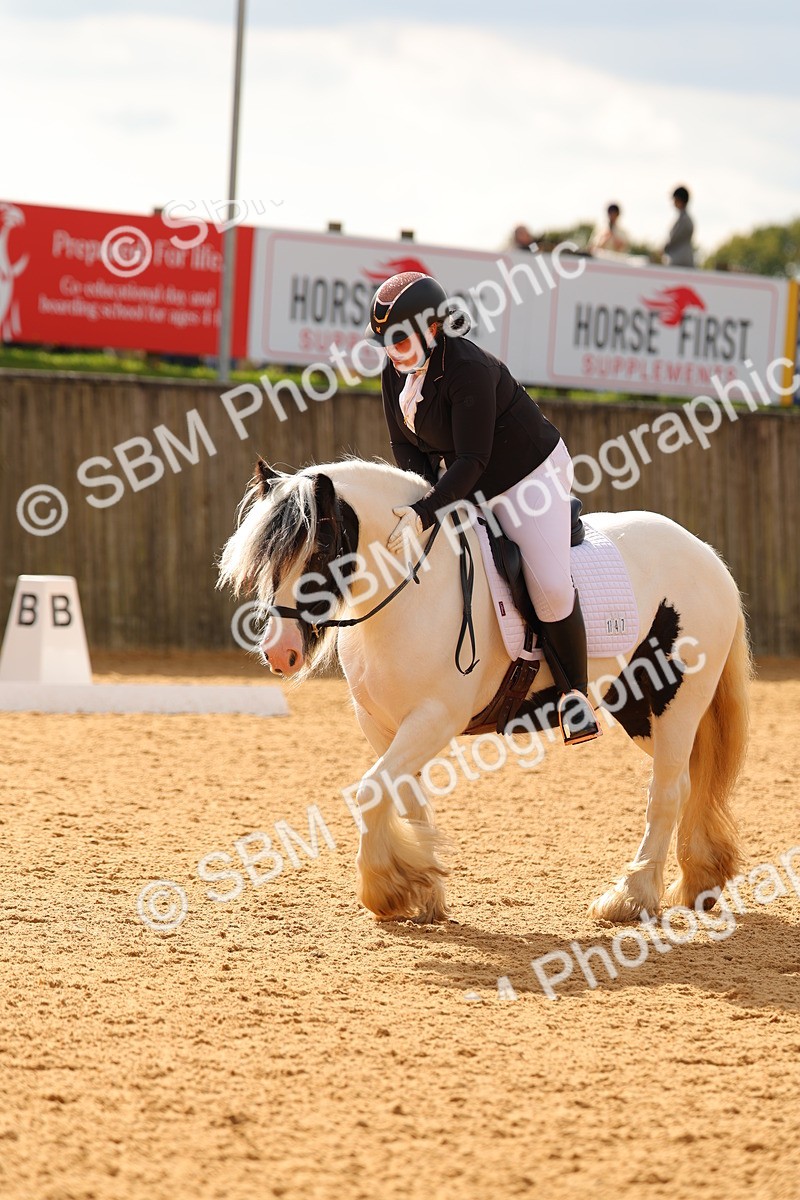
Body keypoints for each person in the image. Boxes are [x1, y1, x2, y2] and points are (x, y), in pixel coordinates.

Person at [366, 271, 601, 745]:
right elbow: (404, 445)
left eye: (401, 339)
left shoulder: (468, 369)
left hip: (528, 477)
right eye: (385, 341)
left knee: (550, 586)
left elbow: (474, 457)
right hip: (469, 480)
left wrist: (428, 509)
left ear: (433, 329)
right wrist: (421, 495)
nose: (393, 352)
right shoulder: (394, 376)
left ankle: (576, 695)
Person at [663, 185, 695, 267]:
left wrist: (663, 249)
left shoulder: (684, 220)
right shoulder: (684, 219)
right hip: (681, 260)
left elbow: (674, 239)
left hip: (680, 262)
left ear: (679, 200)